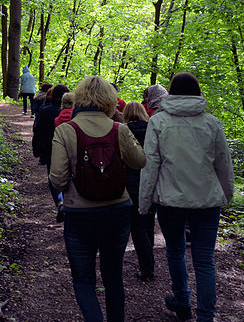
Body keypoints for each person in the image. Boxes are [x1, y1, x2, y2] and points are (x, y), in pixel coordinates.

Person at [139, 72, 234, 322]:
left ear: (172, 93)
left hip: (170, 201)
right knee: (204, 261)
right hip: (207, 202)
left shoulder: (158, 122)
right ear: (197, 92)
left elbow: (150, 167)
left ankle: (182, 302)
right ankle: (205, 316)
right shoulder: (211, 123)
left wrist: (144, 202)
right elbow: (224, 165)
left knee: (175, 250)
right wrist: (226, 195)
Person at [50, 76, 146, 322]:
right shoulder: (120, 129)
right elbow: (140, 161)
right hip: (117, 210)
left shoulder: (65, 130)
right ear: (110, 100)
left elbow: (57, 179)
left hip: (79, 214)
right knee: (113, 277)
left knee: (83, 279)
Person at [122, 101, 155, 281]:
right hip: (152, 183)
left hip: (132, 184)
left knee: (136, 227)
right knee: (148, 223)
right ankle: (149, 264)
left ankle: (147, 268)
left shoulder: (124, 131)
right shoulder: (153, 129)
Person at [32, 84, 70, 216]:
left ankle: (59, 202)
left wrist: (36, 149)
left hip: (49, 148)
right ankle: (69, 202)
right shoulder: (73, 113)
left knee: (52, 176)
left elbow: (38, 131)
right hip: (68, 148)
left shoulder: (44, 111)